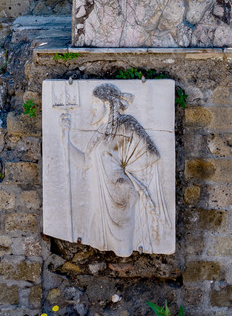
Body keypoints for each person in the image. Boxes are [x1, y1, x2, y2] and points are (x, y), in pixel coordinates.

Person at [61, 83, 170, 257]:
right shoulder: (100, 133)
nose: (91, 110)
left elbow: (152, 155)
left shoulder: (127, 124)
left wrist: (128, 172)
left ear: (106, 105)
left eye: (95, 105)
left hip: (121, 196)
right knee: (97, 241)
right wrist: (64, 139)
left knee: (123, 249)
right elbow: (84, 161)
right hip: (102, 198)